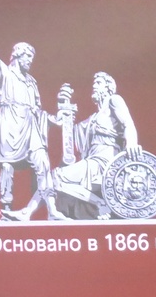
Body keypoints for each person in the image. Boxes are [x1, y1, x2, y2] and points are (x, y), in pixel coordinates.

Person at [0, 0, 63, 221]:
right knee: (7, 166)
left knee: (43, 162)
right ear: (17, 55)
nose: (30, 60)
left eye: (32, 57)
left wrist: (54, 119)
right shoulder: (4, 73)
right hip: (11, 124)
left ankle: (52, 209)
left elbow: (38, 111)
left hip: (31, 127)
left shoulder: (32, 82)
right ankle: (6, 209)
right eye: (28, 56)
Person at [51, 72, 142, 220]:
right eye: (94, 83)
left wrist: (132, 143)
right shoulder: (93, 118)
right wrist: (65, 110)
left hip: (105, 161)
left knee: (57, 176)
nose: (94, 86)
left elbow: (128, 123)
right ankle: (100, 202)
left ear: (108, 87)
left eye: (98, 83)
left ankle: (101, 203)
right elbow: (72, 135)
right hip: (92, 160)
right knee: (55, 178)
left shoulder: (114, 100)